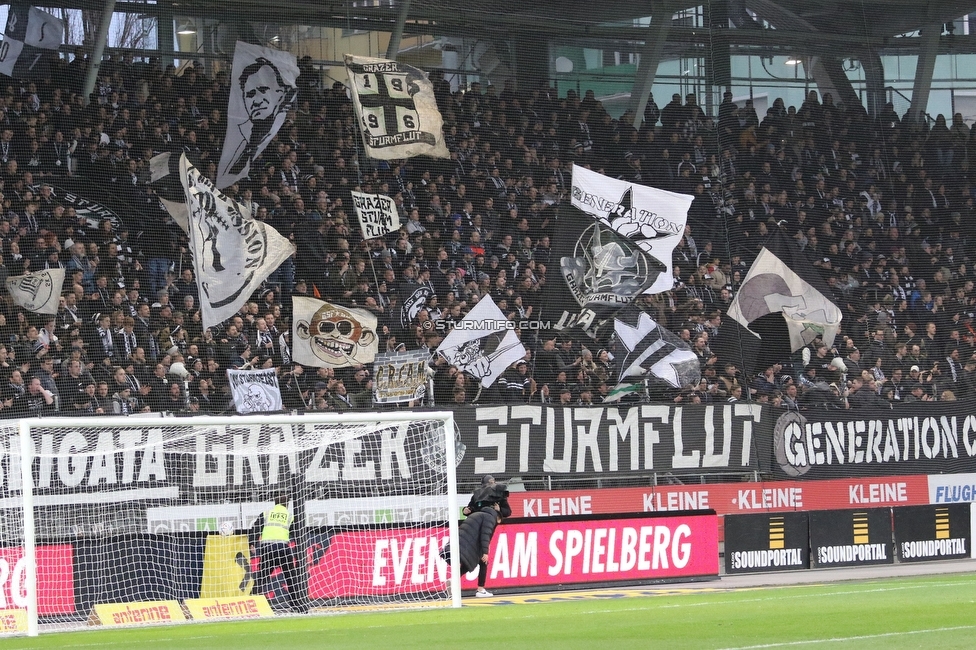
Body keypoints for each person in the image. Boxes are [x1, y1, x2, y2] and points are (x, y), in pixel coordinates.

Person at [218, 58, 298, 182]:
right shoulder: (234, 133)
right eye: (250, 94)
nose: (256, 101)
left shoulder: (275, 131)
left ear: (278, 93)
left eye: (262, 91)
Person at [251, 493, 308, 612]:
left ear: (275, 503)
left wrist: (252, 543)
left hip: (267, 549)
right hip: (283, 548)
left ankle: (252, 604)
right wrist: (299, 552)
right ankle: (298, 607)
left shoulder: (266, 513)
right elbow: (298, 534)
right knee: (291, 578)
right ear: (287, 505)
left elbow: (255, 528)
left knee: (261, 578)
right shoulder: (290, 516)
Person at [461, 475, 511, 597]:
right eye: (490, 482)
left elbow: (508, 512)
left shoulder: (499, 495)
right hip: (480, 529)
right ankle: (480, 589)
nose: (492, 484)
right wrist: (465, 510)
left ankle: (456, 581)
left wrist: (500, 509)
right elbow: (470, 509)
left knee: (477, 558)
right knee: (482, 557)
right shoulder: (478, 495)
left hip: (481, 528)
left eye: (493, 482)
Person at [455, 503, 502, 598]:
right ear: (498, 518)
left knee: (471, 563)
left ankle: (453, 580)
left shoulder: (479, 514)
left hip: (464, 540)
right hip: (474, 543)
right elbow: (485, 535)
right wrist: (485, 552)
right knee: (483, 562)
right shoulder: (489, 518)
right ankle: (480, 589)